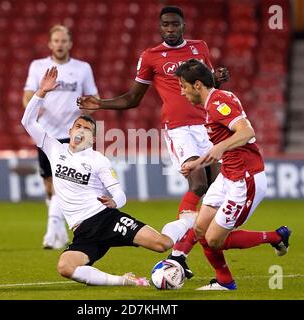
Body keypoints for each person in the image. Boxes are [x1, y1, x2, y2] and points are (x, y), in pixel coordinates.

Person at [77, 6, 229, 277]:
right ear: (160, 28)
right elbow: (133, 99)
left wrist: (217, 80)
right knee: (199, 183)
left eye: (175, 25)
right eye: (166, 25)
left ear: (183, 25)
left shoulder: (199, 47)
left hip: (206, 125)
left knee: (217, 193)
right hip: (179, 128)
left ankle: (182, 255)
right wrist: (100, 104)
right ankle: (179, 256)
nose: (170, 30)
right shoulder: (151, 56)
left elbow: (206, 87)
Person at [21, 67, 196, 286]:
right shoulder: (54, 149)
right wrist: (41, 92)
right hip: (82, 231)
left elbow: (119, 193)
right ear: (70, 130)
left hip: (106, 220)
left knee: (162, 244)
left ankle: (189, 219)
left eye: (86, 129)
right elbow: (28, 122)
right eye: (78, 126)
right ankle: (124, 281)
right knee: (65, 267)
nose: (81, 130)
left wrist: (115, 202)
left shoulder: (98, 160)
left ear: (92, 139)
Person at [175, 58, 291, 290]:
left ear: (197, 85)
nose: (181, 91)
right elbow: (225, 143)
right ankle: (225, 282)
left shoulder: (218, 102)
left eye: (183, 85)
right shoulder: (214, 102)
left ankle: (276, 237)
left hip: (245, 179)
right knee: (200, 229)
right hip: (227, 176)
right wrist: (198, 162)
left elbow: (247, 132)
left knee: (214, 239)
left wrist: (219, 148)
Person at [23, 25, 98, 249]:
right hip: (46, 133)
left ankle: (52, 231)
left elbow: (94, 98)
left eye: (64, 40)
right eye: (56, 40)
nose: (60, 44)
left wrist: (87, 110)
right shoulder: (38, 66)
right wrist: (34, 109)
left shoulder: (83, 68)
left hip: (72, 134)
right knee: (49, 185)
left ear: (70, 44)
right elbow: (27, 95)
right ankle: (59, 232)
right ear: (50, 43)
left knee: (61, 182)